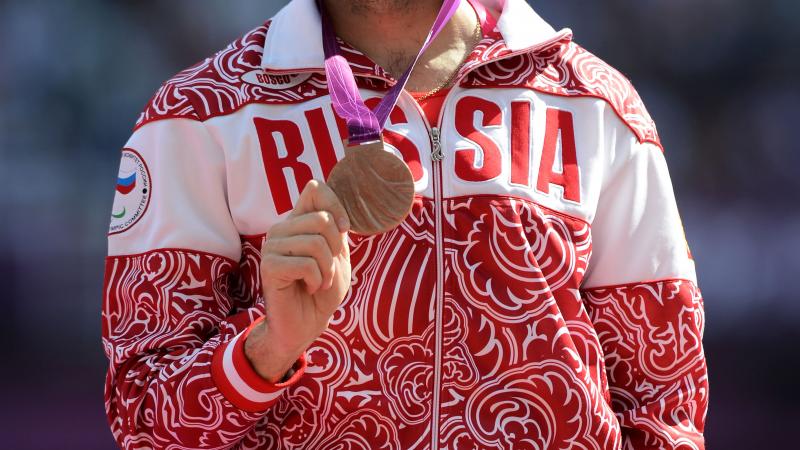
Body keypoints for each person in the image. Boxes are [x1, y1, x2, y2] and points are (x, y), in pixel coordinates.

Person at [102, 0, 709, 448]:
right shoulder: (199, 114)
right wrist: (269, 348)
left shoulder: (596, 104)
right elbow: (143, 419)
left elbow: (666, 397)